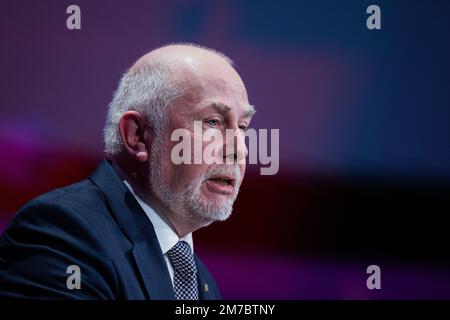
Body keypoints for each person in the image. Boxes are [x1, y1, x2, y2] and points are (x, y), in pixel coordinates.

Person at [0, 43, 255, 299]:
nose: (239, 150)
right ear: (137, 136)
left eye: (242, 126)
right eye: (213, 122)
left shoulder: (200, 282)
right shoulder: (63, 234)